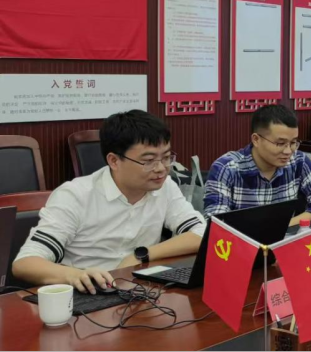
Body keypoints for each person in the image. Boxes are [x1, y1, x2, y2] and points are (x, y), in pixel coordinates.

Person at [13, 111, 206, 294]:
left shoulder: (165, 187)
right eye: (148, 161)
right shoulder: (75, 195)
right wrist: (75, 275)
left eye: (166, 158)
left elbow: (202, 234)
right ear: (114, 161)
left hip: (139, 290)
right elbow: (25, 263)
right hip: (88, 294)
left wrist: (142, 255)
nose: (161, 168)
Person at [204, 104, 311, 226]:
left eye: (293, 142)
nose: (288, 151)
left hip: (286, 237)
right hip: (241, 240)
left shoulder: (298, 161)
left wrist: (284, 226)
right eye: (280, 143)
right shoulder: (226, 168)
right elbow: (216, 225)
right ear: (256, 139)